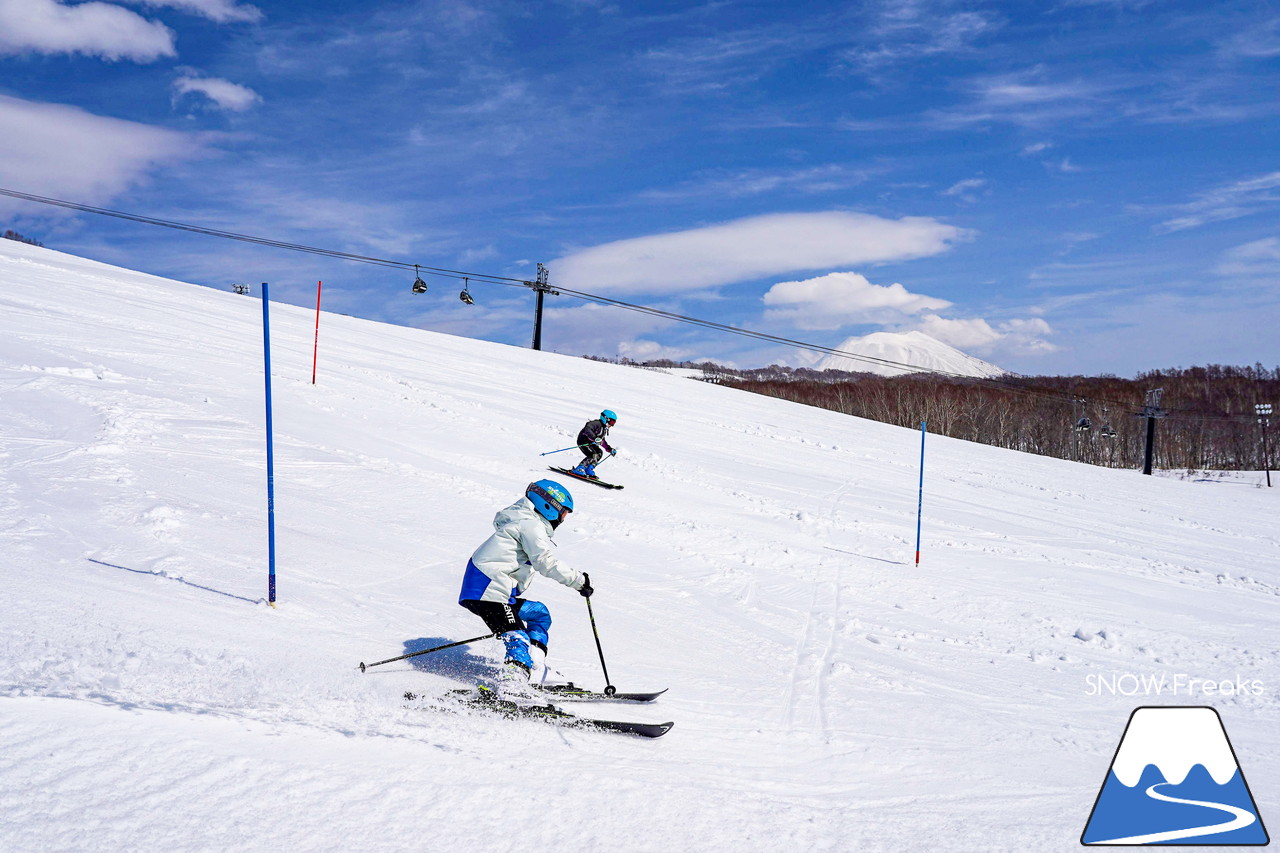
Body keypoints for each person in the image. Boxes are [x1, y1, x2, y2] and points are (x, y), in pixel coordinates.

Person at [457, 479, 593, 692]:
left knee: (539, 614)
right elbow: (545, 562)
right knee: (517, 635)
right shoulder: (530, 524)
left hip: (498, 591)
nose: (563, 519)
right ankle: (512, 683)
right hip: (487, 589)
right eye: (563, 513)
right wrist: (578, 581)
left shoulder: (527, 522)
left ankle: (536, 668)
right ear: (549, 506)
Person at [571, 409, 618, 479]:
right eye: (611, 422)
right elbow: (587, 429)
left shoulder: (603, 429)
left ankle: (589, 469)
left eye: (613, 423)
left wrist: (609, 449)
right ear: (606, 418)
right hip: (583, 441)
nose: (612, 425)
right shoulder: (596, 423)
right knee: (592, 454)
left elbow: (602, 441)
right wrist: (595, 438)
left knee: (599, 453)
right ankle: (579, 468)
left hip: (590, 443)